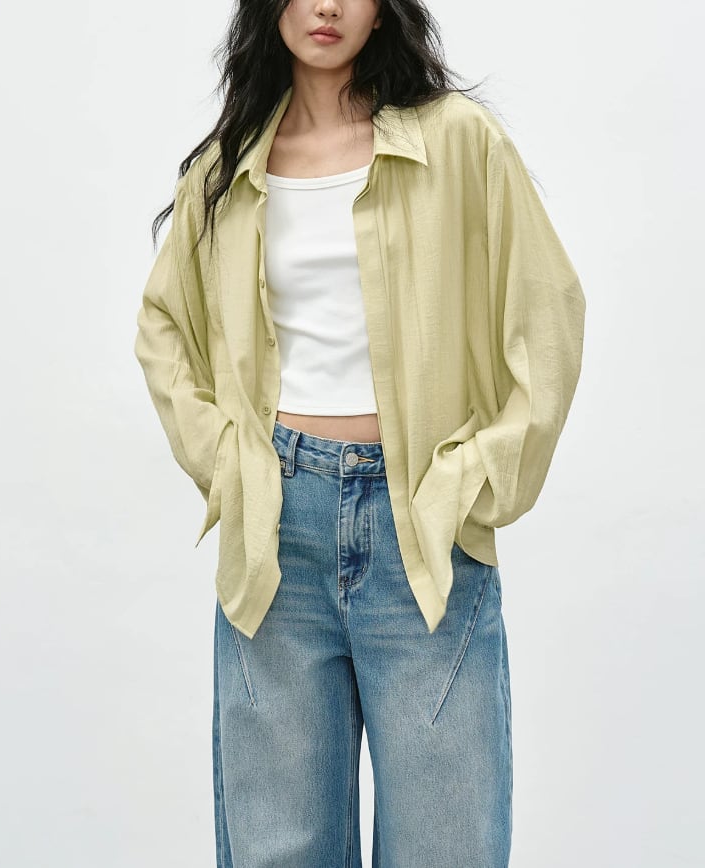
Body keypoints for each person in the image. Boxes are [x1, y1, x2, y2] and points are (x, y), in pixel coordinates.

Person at [134, 0, 586, 864]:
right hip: (277, 533)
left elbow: (548, 311)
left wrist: (477, 479)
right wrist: (229, 465)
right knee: (277, 846)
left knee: (448, 843)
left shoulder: (458, 142)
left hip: (423, 526)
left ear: (384, 14)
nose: (328, 6)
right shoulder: (231, 165)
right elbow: (164, 325)